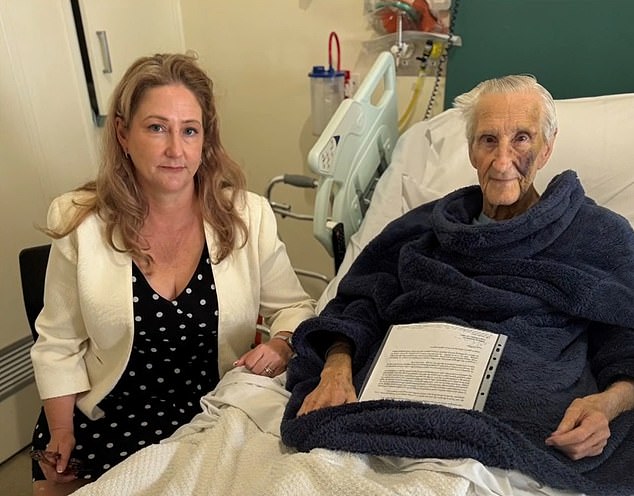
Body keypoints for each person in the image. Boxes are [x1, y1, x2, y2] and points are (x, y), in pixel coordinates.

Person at [280, 75, 634, 496]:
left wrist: (608, 405)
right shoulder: (419, 231)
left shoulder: (596, 236)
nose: (503, 161)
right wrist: (336, 367)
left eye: (521, 138)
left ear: (548, 147)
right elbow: (356, 304)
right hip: (385, 418)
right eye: (488, 140)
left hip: (523, 442)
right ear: (470, 150)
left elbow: (626, 341)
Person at [29, 52, 315, 495]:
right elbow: (59, 343)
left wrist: (282, 342)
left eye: (189, 131)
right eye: (156, 127)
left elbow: (295, 307)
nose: (175, 150)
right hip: (107, 418)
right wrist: (61, 432)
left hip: (211, 416)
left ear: (206, 140)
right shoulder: (80, 221)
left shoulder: (246, 215)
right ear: (124, 134)